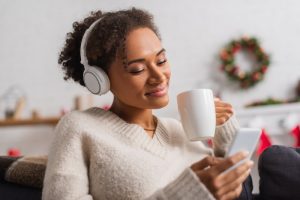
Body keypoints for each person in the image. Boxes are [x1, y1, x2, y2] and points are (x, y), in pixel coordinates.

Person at [42, 8, 253, 200]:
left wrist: (226, 140)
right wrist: (186, 194)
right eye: (137, 69)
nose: (159, 76)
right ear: (100, 79)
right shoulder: (80, 128)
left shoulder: (179, 130)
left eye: (161, 61)